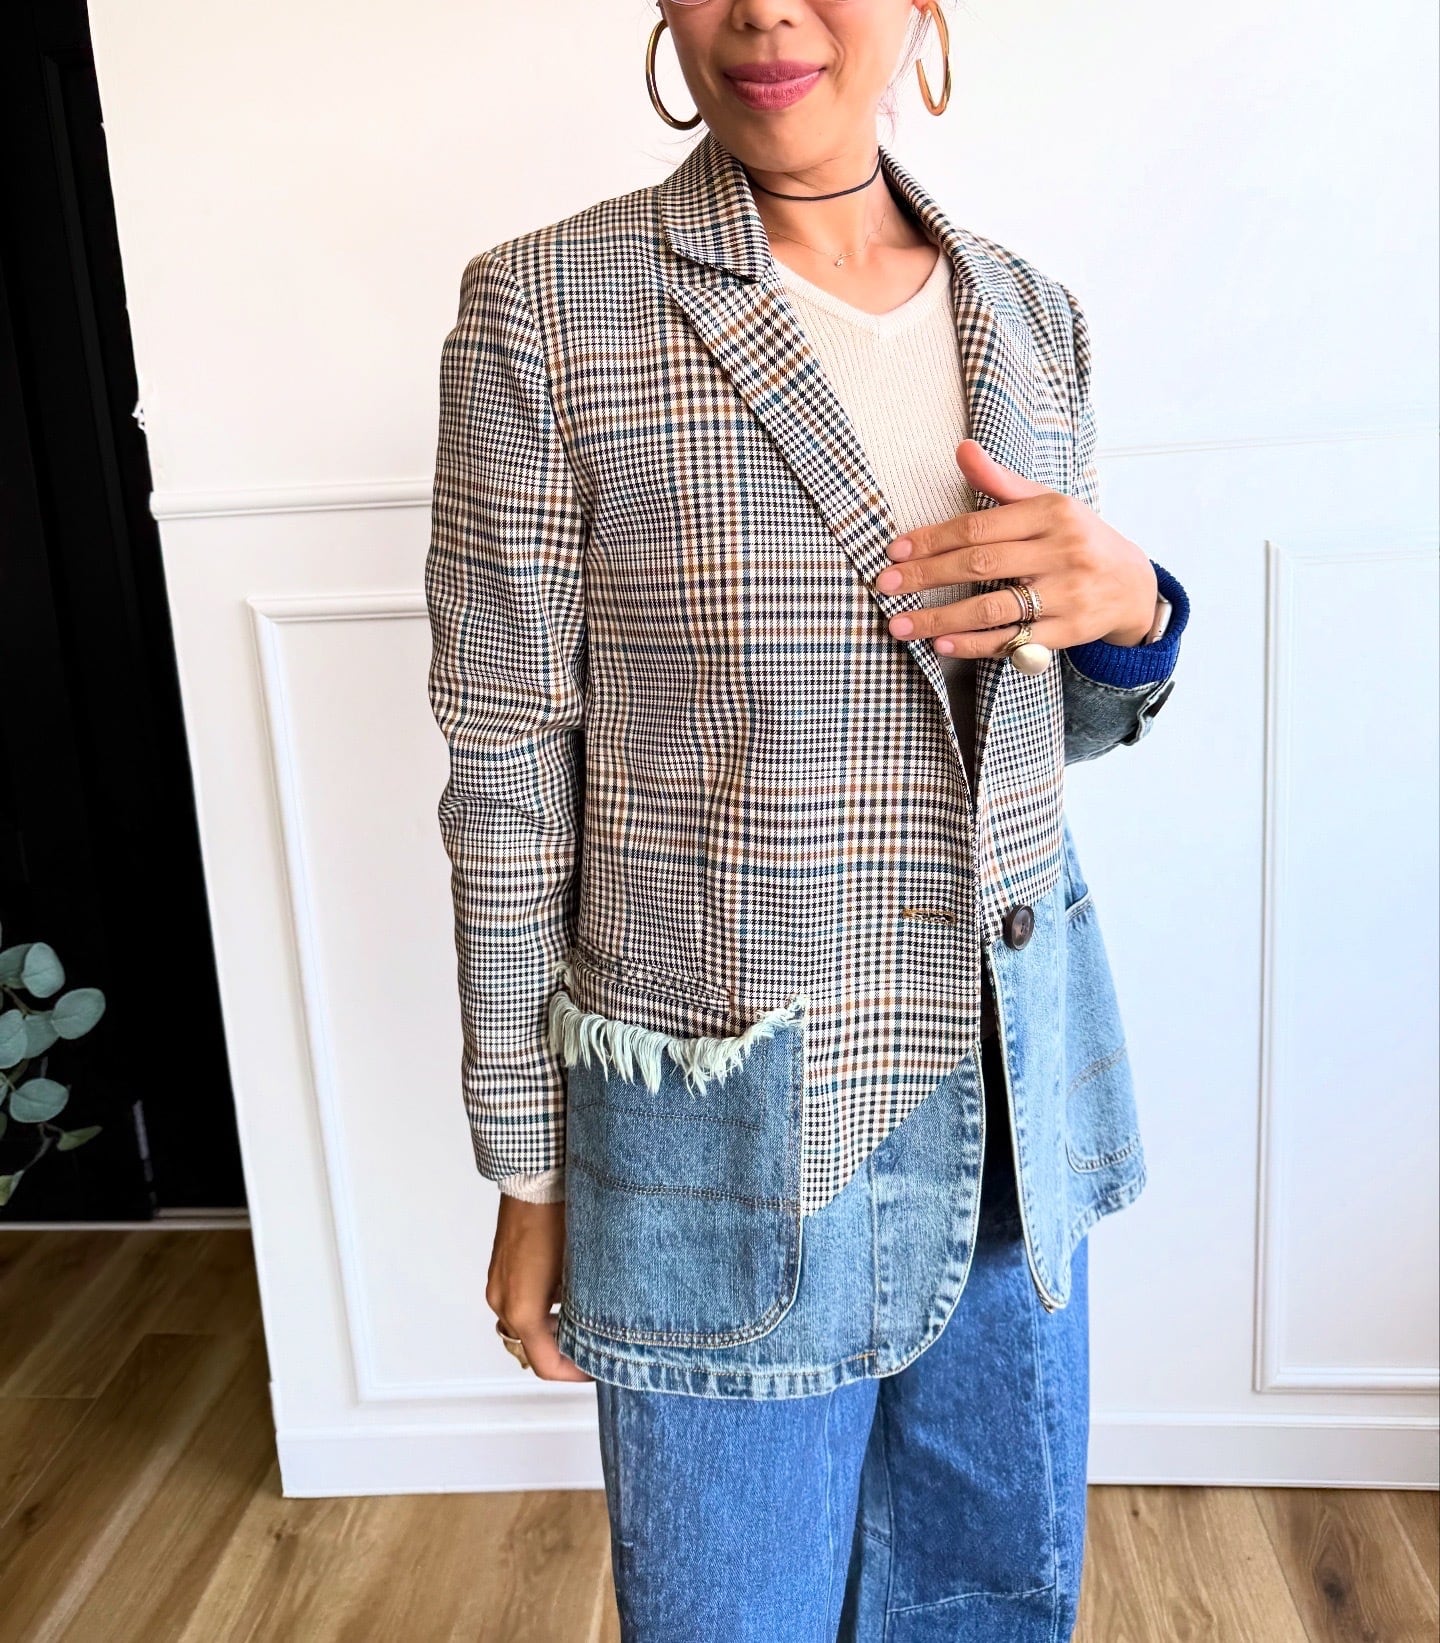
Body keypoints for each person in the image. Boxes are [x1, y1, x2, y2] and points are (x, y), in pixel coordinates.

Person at [424, 2, 1191, 1637]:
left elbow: (1034, 736)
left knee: (986, 1608)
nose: (767, 11)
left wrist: (1135, 614)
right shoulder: (545, 311)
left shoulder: (1031, 316)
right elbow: (505, 778)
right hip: (731, 1147)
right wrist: (528, 1172)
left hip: (1007, 1114)